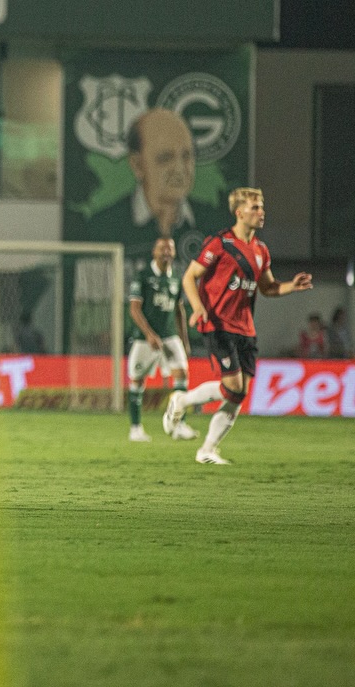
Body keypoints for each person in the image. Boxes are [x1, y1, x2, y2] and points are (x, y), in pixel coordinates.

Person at [164, 187, 312, 464]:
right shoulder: (221, 243)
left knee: (238, 394)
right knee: (232, 386)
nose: (261, 212)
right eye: (255, 207)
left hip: (246, 329)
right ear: (239, 212)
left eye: (262, 206)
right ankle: (181, 401)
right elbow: (189, 277)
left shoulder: (260, 250)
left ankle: (207, 449)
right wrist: (198, 307)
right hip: (218, 324)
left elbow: (267, 288)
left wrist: (291, 285)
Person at [125, 238, 193, 442]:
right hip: (144, 340)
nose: (167, 252)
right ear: (154, 252)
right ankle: (135, 429)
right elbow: (134, 309)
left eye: (170, 249)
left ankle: (179, 424)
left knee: (181, 375)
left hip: (169, 338)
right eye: (162, 249)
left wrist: (184, 339)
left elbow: (179, 310)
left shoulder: (176, 278)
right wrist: (148, 334)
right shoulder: (143, 276)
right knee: (137, 380)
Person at [127, 108, 197, 239]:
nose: (179, 169)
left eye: (186, 156)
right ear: (137, 164)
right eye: (166, 158)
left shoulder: (217, 225)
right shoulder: (102, 226)